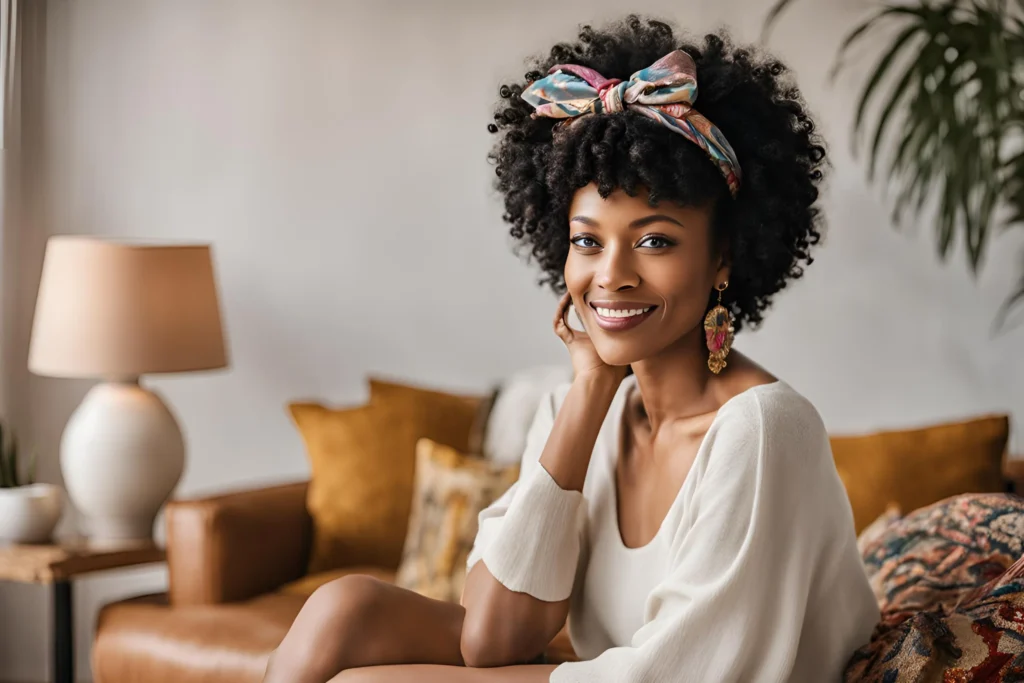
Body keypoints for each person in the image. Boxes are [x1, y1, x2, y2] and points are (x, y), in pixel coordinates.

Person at [262, 15, 880, 683]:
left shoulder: (762, 429)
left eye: (654, 240)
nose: (610, 274)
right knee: (343, 609)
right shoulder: (582, 406)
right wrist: (588, 394)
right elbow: (493, 636)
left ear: (724, 255)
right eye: (588, 240)